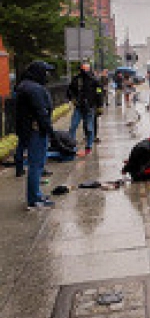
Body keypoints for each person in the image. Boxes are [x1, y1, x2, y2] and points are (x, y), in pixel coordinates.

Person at [14, 61, 62, 209]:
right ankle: (34, 199)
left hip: (27, 129)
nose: (47, 75)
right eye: (45, 72)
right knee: (36, 165)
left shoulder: (24, 85)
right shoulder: (34, 89)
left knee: (36, 164)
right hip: (36, 130)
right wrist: (51, 132)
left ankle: (36, 194)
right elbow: (41, 113)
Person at [68, 62, 102, 156]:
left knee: (89, 128)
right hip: (79, 107)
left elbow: (99, 92)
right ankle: (72, 146)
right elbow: (70, 90)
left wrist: (99, 105)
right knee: (73, 126)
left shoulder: (94, 80)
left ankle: (89, 146)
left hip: (90, 107)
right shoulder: (77, 79)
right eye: (84, 69)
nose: (85, 71)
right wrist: (73, 99)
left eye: (87, 69)